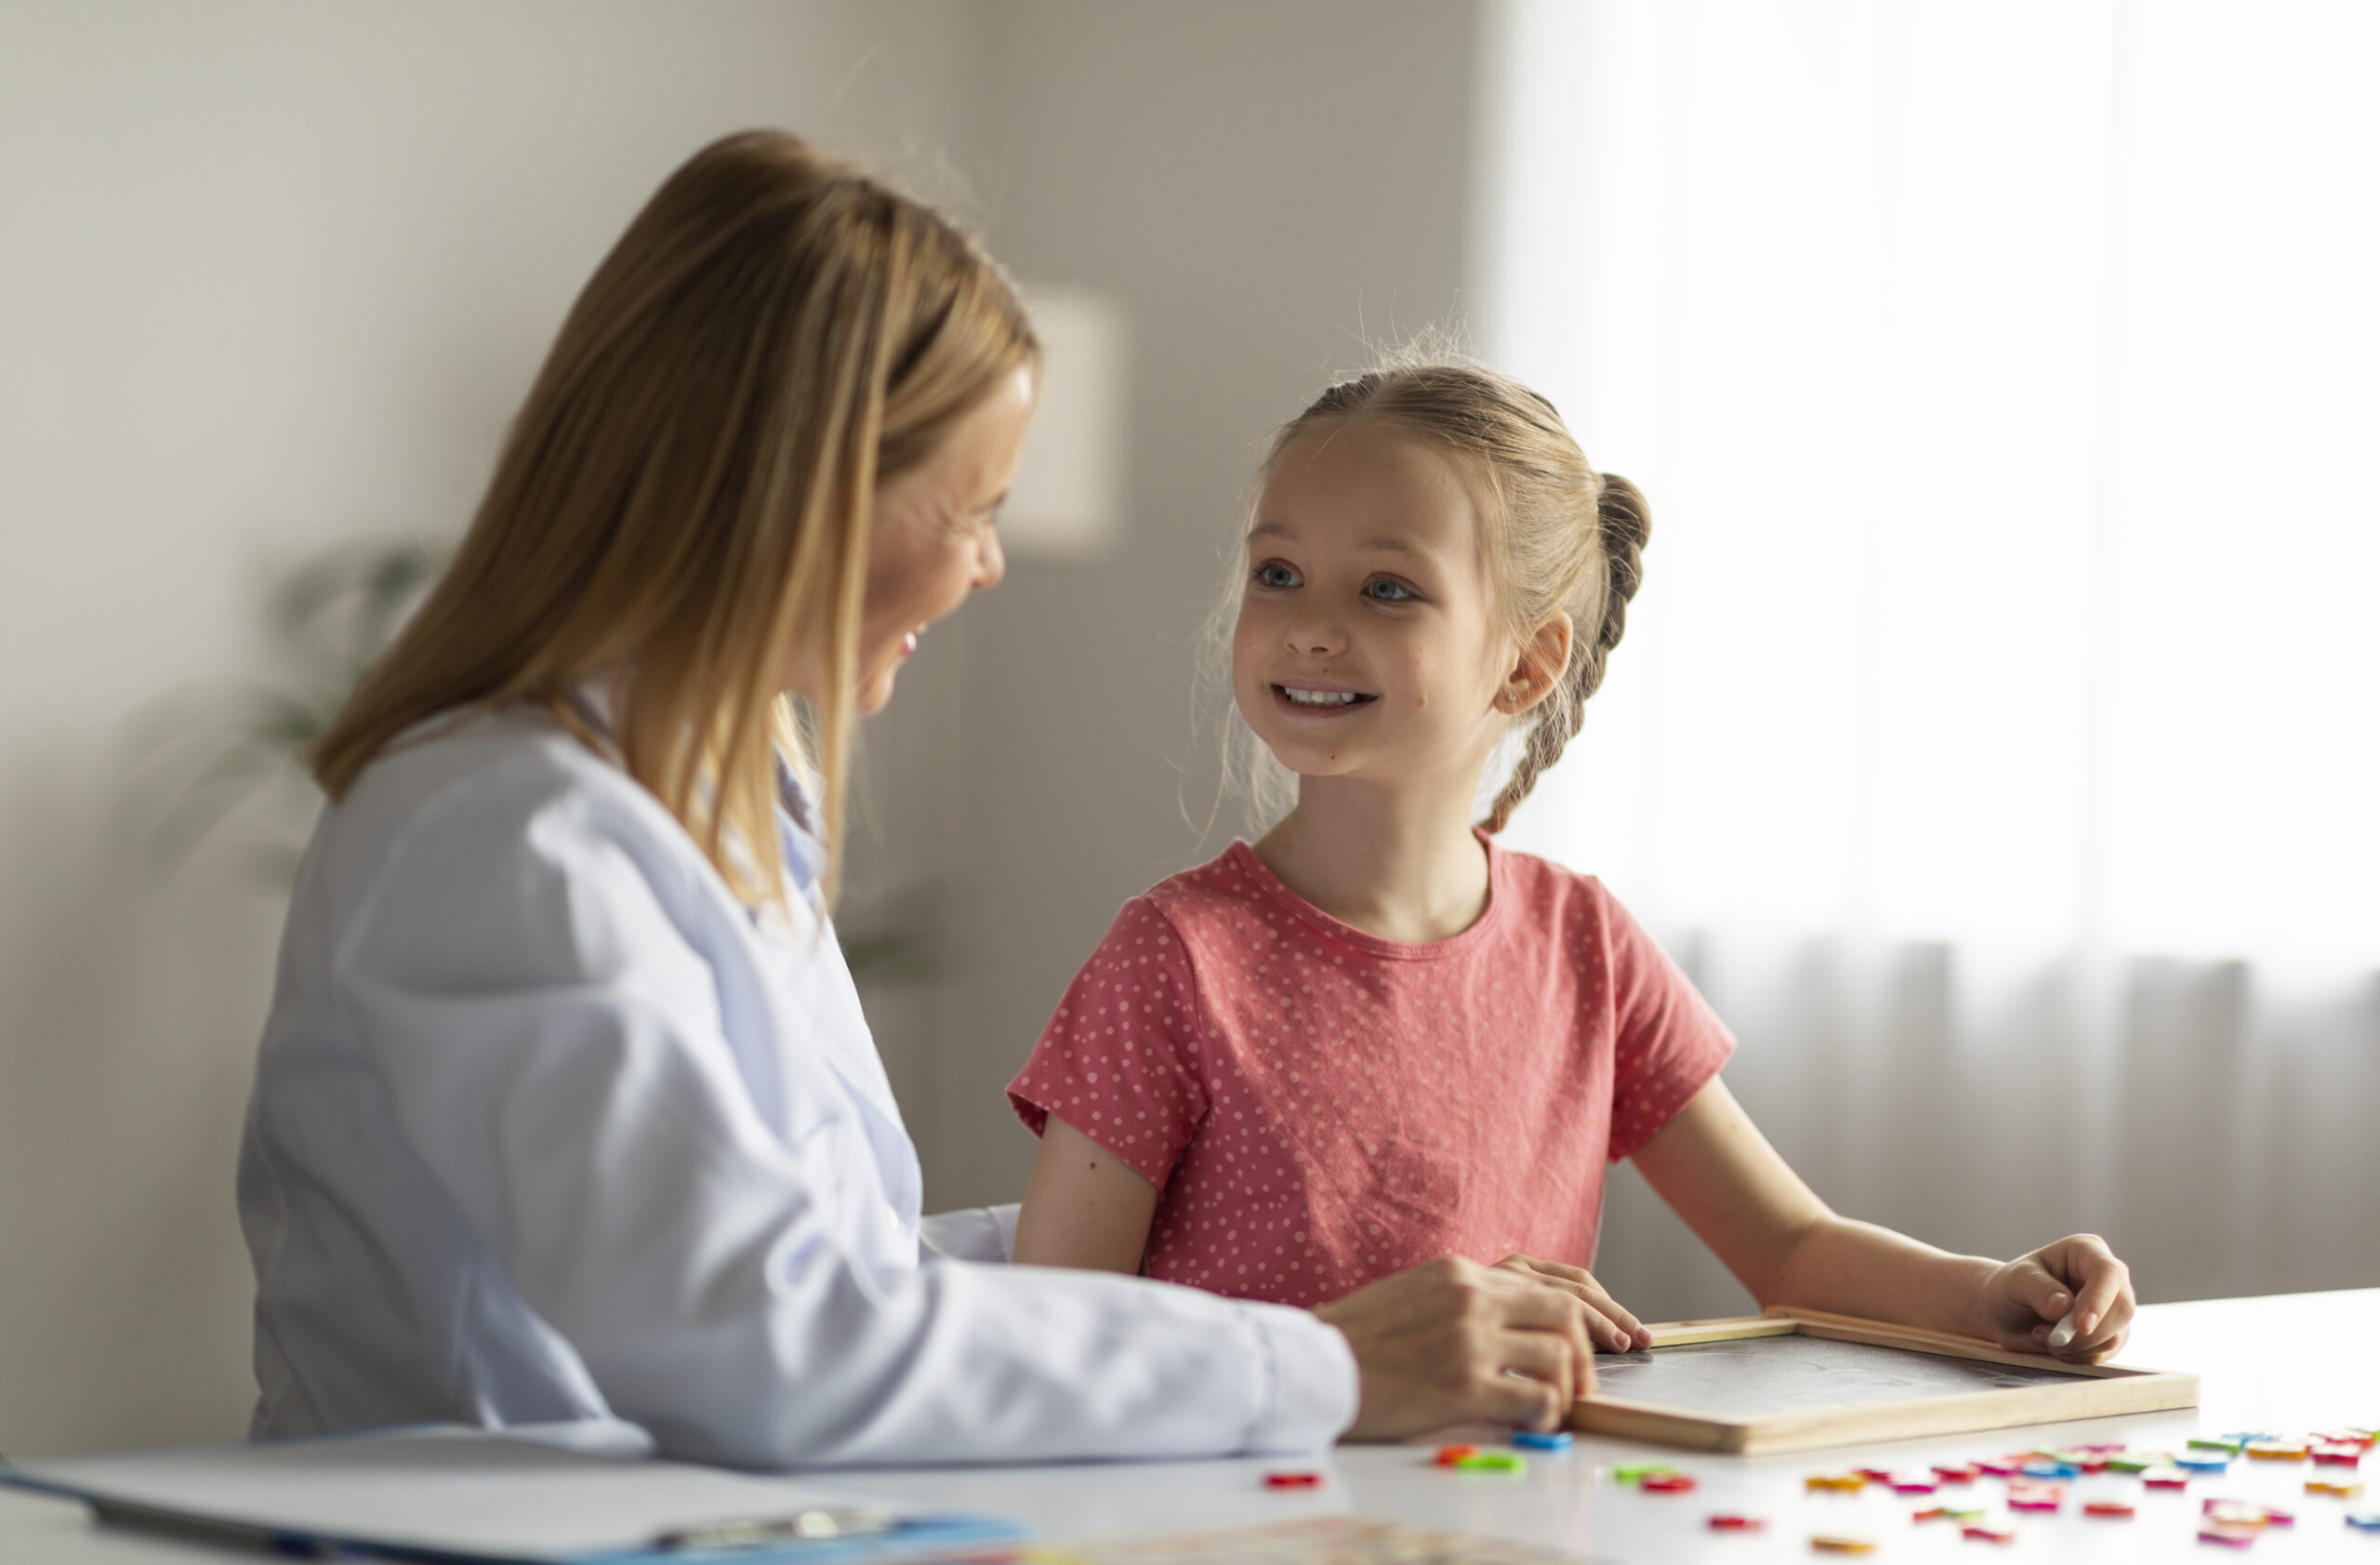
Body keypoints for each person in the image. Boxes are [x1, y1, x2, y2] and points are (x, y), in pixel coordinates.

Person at [235, 134, 1606, 1470]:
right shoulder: (503, 834)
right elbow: (770, 1345)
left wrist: (1269, 1238)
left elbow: (844, 1270)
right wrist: (1333, 1361)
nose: (989, 565)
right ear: (799, 496)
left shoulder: (713, 796)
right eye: (970, 508)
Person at [1007, 363, 2137, 1365]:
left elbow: (1790, 1251)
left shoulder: (1582, 944)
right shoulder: (1172, 961)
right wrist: (1356, 1356)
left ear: (1526, 664)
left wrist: (1993, 1294)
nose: (1308, 625)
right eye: (1278, 573)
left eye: (1387, 589)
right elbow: (1050, 1351)